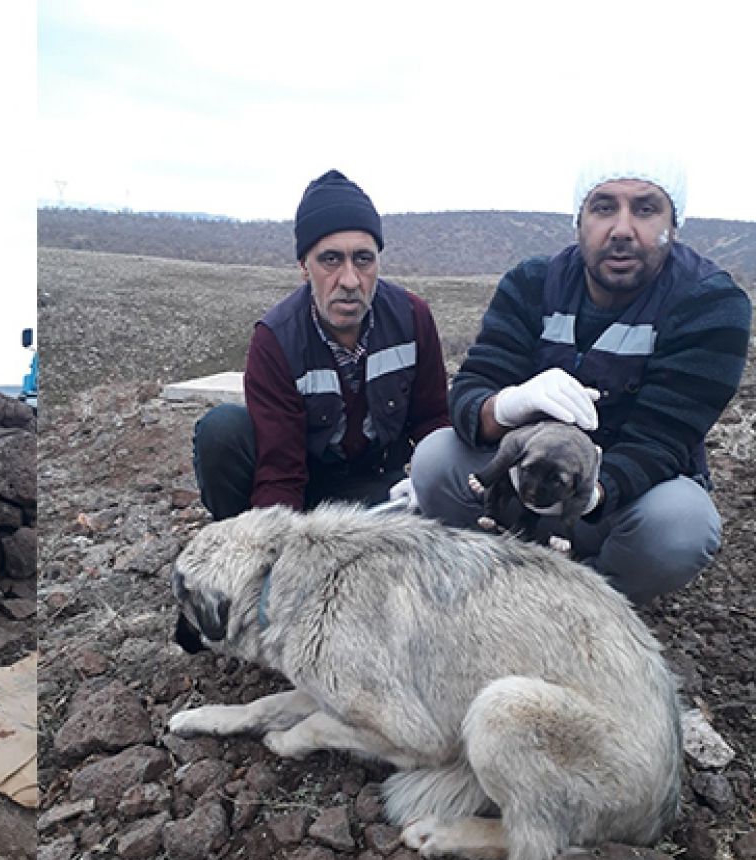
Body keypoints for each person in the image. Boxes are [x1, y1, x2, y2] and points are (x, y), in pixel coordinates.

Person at [409, 154, 752, 605]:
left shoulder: (711, 303)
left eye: (646, 209)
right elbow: (472, 392)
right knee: (436, 458)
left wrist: (588, 493)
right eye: (604, 207)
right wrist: (507, 404)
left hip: (623, 501)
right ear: (579, 219)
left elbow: (662, 439)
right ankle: (494, 581)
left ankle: (587, 602)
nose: (623, 229)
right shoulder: (532, 283)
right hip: (526, 479)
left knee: (682, 526)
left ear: (676, 223)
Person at [192, 170, 450, 518]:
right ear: (304, 266)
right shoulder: (276, 339)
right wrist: (274, 544)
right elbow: (280, 469)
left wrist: (432, 481)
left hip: (381, 489)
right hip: (304, 494)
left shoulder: (412, 317)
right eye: (330, 259)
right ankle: (242, 545)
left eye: (363, 259)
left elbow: (434, 420)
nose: (349, 280)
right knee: (222, 431)